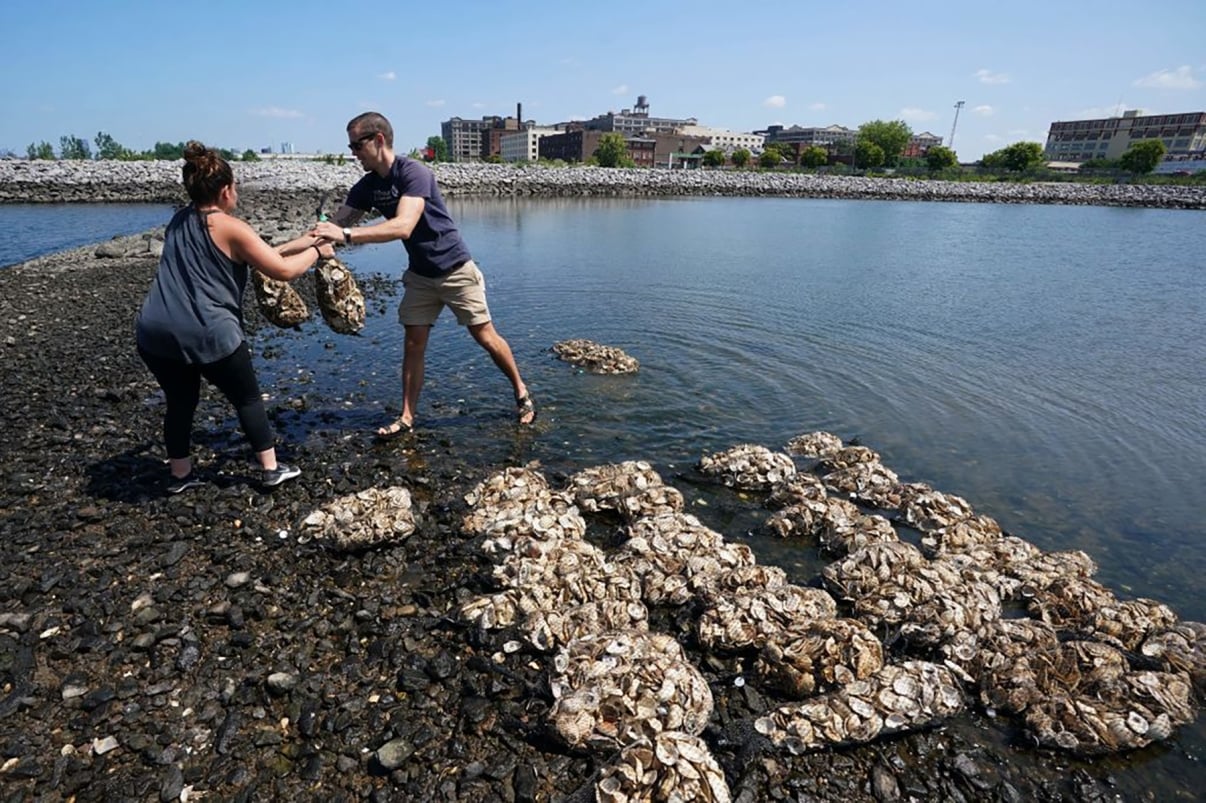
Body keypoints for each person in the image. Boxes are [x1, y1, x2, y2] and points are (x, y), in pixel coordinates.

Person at [309, 111, 534, 438]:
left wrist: (344, 236)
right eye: (351, 146)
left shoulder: (413, 172)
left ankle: (521, 392)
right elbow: (336, 223)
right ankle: (406, 417)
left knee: (485, 337)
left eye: (357, 145)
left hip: (455, 268)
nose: (353, 152)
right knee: (413, 345)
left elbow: (403, 226)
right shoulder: (368, 186)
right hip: (420, 275)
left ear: (379, 140)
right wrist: (267, 254)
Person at [135, 141, 336, 493]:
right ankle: (271, 468)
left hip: (154, 331)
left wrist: (303, 241)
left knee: (180, 401)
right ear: (226, 190)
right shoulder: (230, 226)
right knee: (247, 397)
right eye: (236, 186)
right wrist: (319, 251)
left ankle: (179, 476)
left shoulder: (179, 220)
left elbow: (255, 254)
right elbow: (284, 271)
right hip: (208, 330)